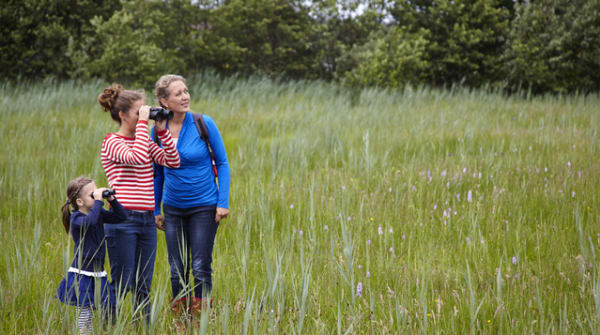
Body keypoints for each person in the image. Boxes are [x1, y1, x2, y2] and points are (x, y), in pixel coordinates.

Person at [98, 84, 180, 322]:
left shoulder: (144, 141)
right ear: (123, 115)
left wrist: (163, 131)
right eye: (138, 112)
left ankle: (141, 327)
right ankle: (108, 326)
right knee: (122, 283)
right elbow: (138, 158)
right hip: (122, 220)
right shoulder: (112, 142)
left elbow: (172, 161)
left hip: (145, 221)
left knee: (143, 285)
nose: (143, 116)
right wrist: (145, 125)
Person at [153, 74, 230, 317]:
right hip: (173, 208)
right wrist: (156, 210)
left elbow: (223, 163)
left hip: (204, 206)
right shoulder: (158, 131)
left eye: (186, 91)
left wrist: (223, 202)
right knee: (176, 268)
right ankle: (179, 319)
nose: (185, 96)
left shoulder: (202, 123)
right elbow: (157, 174)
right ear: (164, 102)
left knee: (200, 266)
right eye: (178, 93)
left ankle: (200, 320)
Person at [55, 177, 127, 334]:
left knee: (109, 305)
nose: (96, 197)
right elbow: (91, 221)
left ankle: (103, 330)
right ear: (80, 202)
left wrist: (112, 199)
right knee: (85, 313)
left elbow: (121, 216)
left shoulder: (97, 212)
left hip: (98, 272)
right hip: (83, 274)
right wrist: (99, 202)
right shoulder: (77, 219)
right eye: (92, 195)